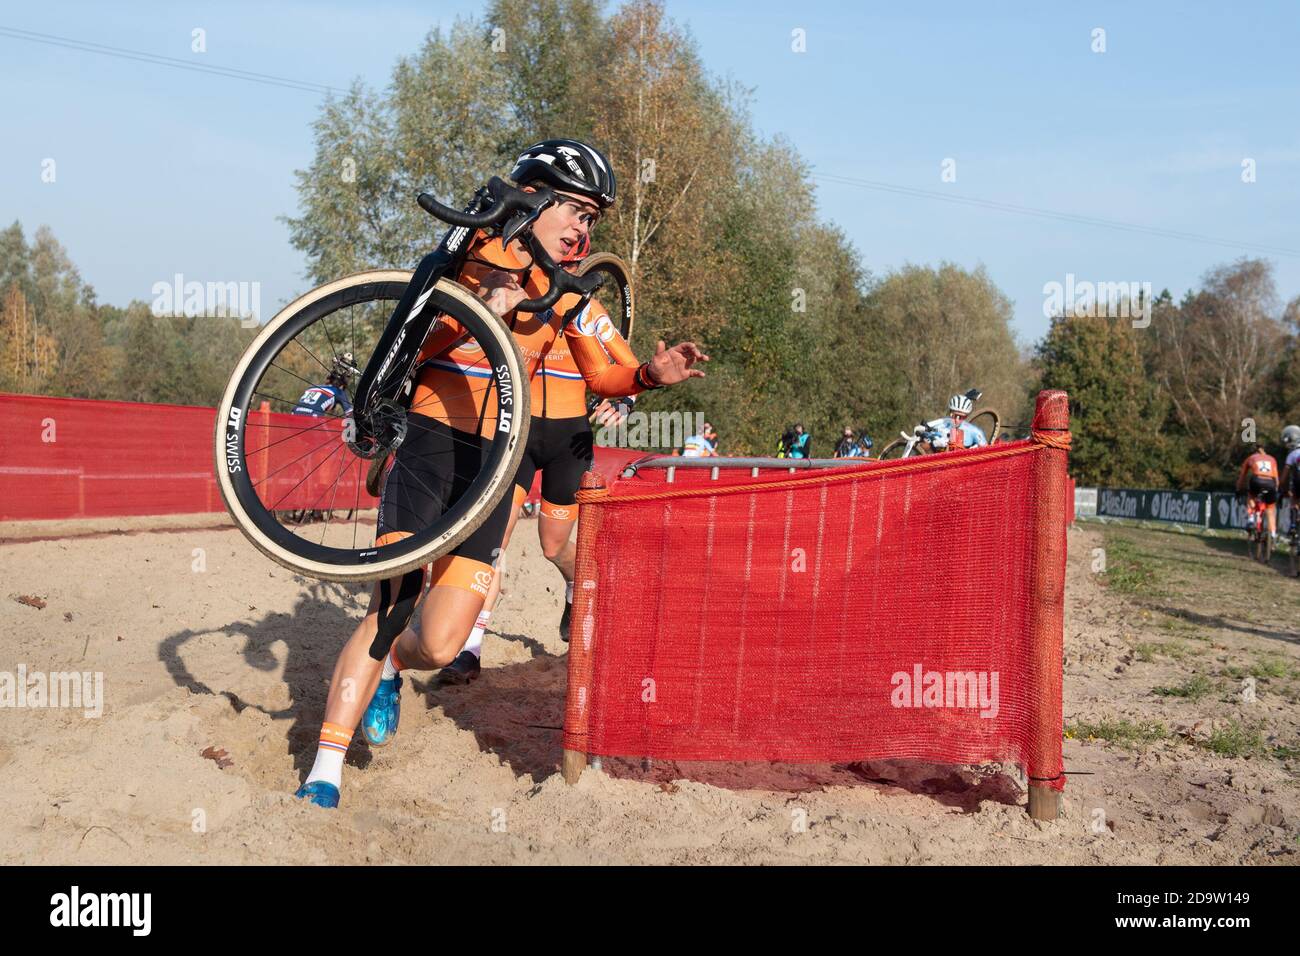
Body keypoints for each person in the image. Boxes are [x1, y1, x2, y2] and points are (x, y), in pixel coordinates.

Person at [294, 138, 708, 808]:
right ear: (534, 198)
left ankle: (397, 667)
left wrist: (648, 376)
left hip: (496, 464)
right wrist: (485, 306)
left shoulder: (569, 292)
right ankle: (325, 770)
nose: (582, 227)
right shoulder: (475, 255)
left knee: (440, 638)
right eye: (575, 210)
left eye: (593, 220)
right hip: (432, 443)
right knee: (391, 605)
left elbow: (604, 366)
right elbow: (410, 345)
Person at [434, 227, 641, 685]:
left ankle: (573, 584)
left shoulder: (586, 308)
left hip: (569, 439)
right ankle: (469, 647)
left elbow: (627, 367)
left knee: (552, 544)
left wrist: (625, 401)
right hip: (519, 434)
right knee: (493, 542)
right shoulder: (518, 295)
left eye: (566, 264)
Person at [1237, 441, 1280, 542]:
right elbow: (1276, 480)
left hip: (1257, 480)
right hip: (1270, 483)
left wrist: (1238, 489)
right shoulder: (1272, 459)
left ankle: (1251, 519)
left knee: (1251, 496)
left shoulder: (1251, 458)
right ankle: (1273, 535)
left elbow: (1242, 476)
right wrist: (1276, 491)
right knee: (1270, 509)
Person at [291, 353, 354, 417]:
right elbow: (350, 414)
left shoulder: (312, 388)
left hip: (294, 413)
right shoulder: (338, 392)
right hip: (313, 417)